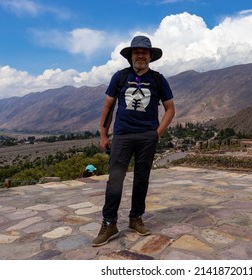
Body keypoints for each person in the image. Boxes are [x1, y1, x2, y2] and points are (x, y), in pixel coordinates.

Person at [92, 35, 175, 247]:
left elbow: (170, 109)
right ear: (130, 56)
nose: (140, 55)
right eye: (137, 52)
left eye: (144, 52)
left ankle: (135, 218)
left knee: (141, 179)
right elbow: (108, 107)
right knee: (115, 180)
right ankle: (109, 223)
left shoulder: (158, 79)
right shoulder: (120, 77)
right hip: (122, 136)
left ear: (150, 56)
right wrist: (103, 133)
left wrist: (157, 133)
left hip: (148, 136)